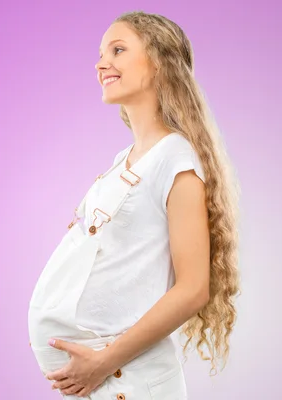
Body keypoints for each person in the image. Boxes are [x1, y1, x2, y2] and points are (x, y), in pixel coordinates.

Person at [27, 10, 240, 400]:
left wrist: (104, 361)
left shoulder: (176, 158)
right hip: (107, 383)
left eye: (118, 49)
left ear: (159, 63)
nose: (101, 63)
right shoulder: (123, 160)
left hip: (129, 382)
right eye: (101, 52)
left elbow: (193, 289)